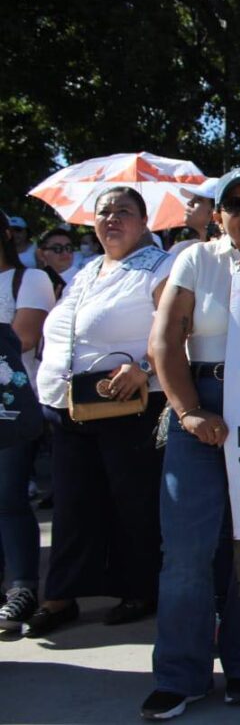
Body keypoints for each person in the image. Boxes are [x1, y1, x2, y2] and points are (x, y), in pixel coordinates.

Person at [142, 168, 240, 721]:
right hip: (202, 399)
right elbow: (164, 341)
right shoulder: (196, 259)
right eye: (236, 203)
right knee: (186, 549)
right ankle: (181, 674)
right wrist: (187, 411)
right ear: (219, 215)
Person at [24, 187, 172, 638]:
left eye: (123, 212)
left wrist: (143, 365)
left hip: (129, 402)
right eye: (104, 212)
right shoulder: (87, 270)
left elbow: (177, 325)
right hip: (68, 404)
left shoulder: (160, 266)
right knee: (73, 504)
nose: (112, 219)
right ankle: (61, 595)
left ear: (144, 222)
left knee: (132, 502)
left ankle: (139, 588)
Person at [0, 213, 55, 633]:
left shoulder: (30, 279)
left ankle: (22, 586)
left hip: (13, 407)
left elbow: (24, 338)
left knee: (9, 497)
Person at [169, 178, 220, 255]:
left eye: (199, 200)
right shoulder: (180, 249)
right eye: (192, 198)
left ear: (214, 211)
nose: (189, 202)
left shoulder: (232, 252)